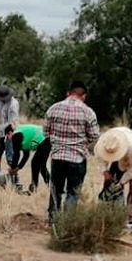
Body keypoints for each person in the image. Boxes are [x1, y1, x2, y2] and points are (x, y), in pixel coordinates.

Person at [43, 80, 99, 222]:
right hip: (77, 158)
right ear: (83, 95)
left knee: (56, 191)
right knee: (72, 193)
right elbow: (94, 136)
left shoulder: (53, 109)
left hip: (57, 156)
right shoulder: (88, 112)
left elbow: (46, 132)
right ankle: (67, 223)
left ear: (68, 93)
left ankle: (53, 220)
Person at [94, 126, 132, 234]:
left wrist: (121, 183)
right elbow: (100, 159)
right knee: (109, 182)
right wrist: (105, 172)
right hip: (122, 154)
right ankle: (106, 213)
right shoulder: (103, 144)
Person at [3, 122, 51, 193]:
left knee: (35, 163)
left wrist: (12, 168)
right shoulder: (21, 135)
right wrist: (18, 167)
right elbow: (26, 156)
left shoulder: (15, 136)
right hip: (46, 138)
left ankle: (34, 187)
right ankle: (50, 185)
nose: (8, 139)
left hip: (43, 139)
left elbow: (16, 155)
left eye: (7, 136)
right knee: (41, 166)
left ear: (9, 133)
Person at [0, 85, 20, 183]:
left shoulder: (13, 104)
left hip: (10, 133)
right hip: (0, 133)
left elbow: (12, 123)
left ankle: (15, 180)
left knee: (10, 158)